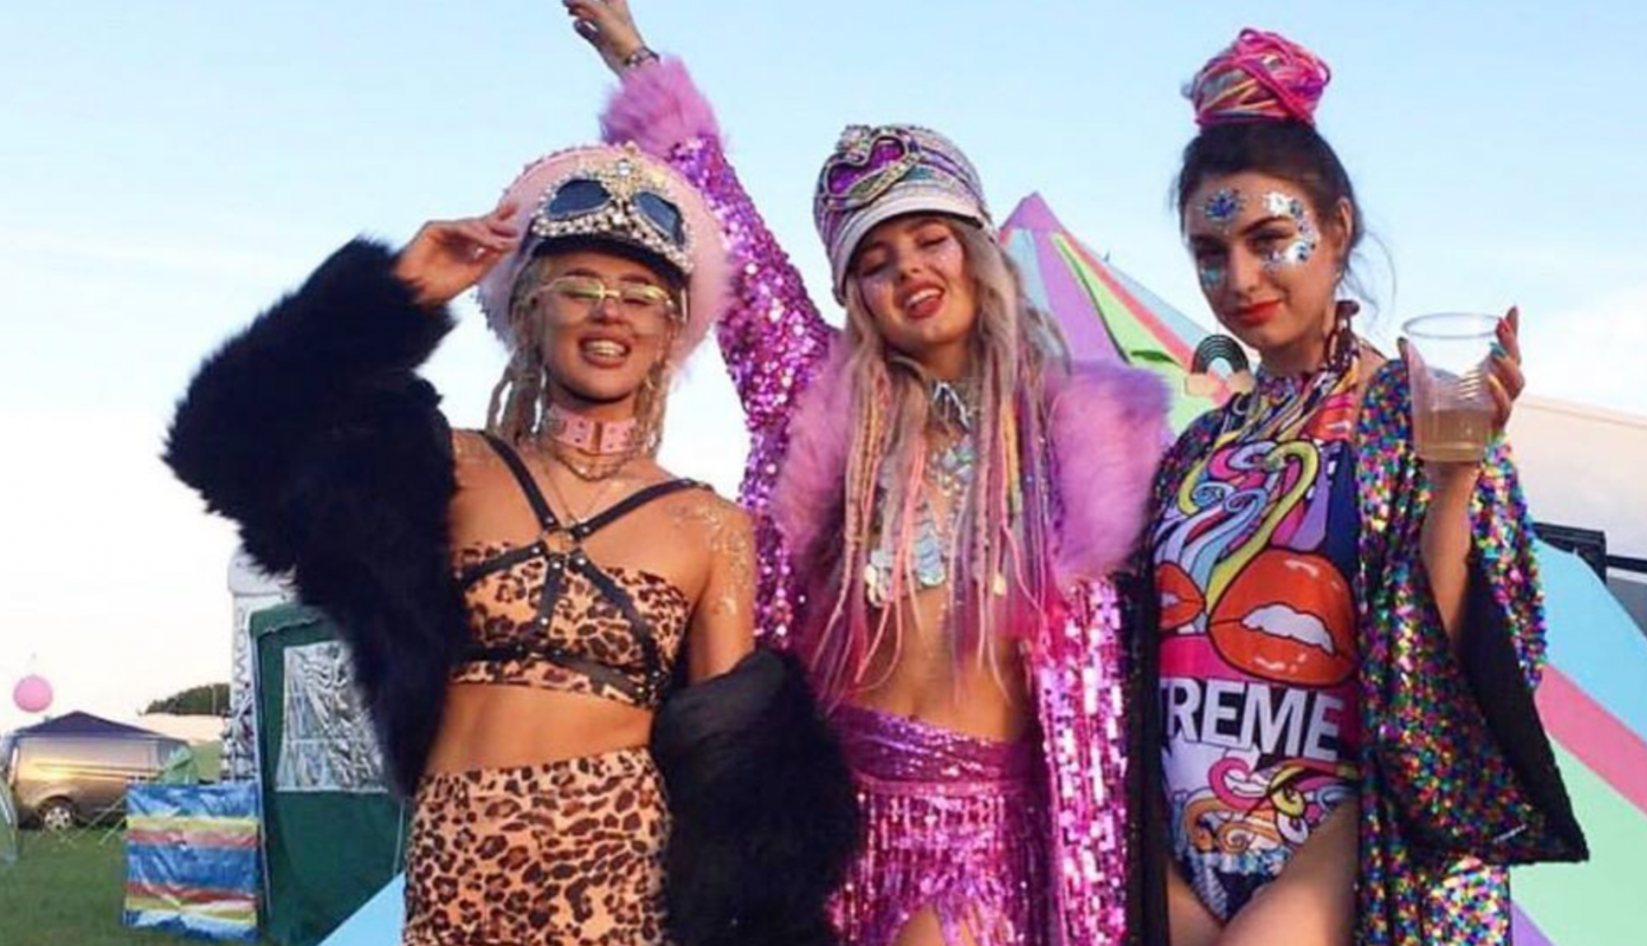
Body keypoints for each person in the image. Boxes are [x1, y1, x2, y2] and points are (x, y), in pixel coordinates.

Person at [564, 3, 1169, 943]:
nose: (910, 270)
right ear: (855, 294)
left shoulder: (1077, 431)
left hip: (988, 844)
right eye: (877, 260)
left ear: (976, 249)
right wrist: (636, 63)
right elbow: (740, 257)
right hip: (837, 831)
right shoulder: (826, 409)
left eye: (930, 238)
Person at [166, 140, 855, 946]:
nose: (610, 310)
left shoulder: (710, 527)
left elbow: (731, 773)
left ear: (670, 331)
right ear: (530, 308)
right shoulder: (444, 467)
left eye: (640, 294)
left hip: (615, 883)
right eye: (580, 286)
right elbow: (221, 449)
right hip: (452, 870)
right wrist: (391, 300)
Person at [1126, 29, 1587, 946]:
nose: (1239, 279)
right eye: (1210, 251)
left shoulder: (1419, 414)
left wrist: (1452, 485)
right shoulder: (1197, 449)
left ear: (1336, 230)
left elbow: (1469, 667)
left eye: (1269, 239)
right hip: (1181, 844)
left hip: (1347, 847)